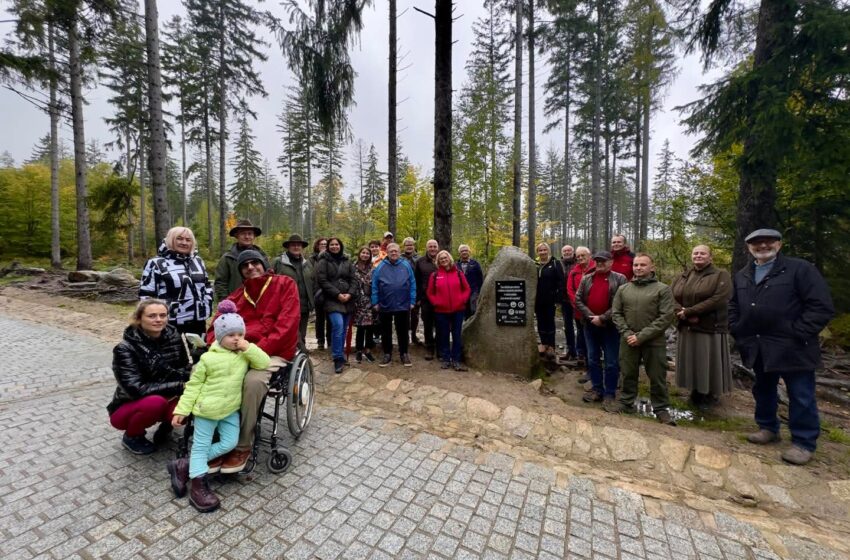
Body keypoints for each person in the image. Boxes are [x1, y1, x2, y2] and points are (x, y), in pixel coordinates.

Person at [730, 228, 834, 465]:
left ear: (778, 244)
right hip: (758, 344)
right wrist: (736, 326)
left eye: (768, 242)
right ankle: (768, 428)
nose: (762, 246)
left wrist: (799, 332)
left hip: (794, 346)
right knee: (763, 389)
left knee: (801, 394)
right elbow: (733, 305)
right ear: (749, 248)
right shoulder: (743, 274)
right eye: (756, 243)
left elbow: (821, 306)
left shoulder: (800, 269)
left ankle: (803, 442)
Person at [166, 301, 271, 512]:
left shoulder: (244, 355)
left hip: (230, 411)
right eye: (231, 335)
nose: (236, 339)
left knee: (229, 443)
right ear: (220, 336)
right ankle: (198, 486)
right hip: (207, 411)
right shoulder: (208, 358)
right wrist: (182, 410)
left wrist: (248, 347)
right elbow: (193, 387)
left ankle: (184, 465)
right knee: (201, 447)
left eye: (240, 334)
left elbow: (264, 363)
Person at [208, 249, 301, 474]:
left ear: (264, 264)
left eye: (255, 263)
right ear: (240, 271)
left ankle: (242, 445)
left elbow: (287, 325)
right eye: (245, 265)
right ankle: (219, 436)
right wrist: (223, 348)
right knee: (211, 374)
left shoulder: (285, 284)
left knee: (252, 382)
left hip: (273, 352)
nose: (250, 267)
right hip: (238, 351)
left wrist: (255, 351)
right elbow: (214, 329)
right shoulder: (236, 297)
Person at [108, 299, 191, 455]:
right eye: (152, 316)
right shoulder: (124, 349)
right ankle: (132, 436)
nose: (159, 320)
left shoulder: (174, 336)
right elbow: (135, 389)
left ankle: (167, 426)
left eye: (163, 315)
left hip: (169, 395)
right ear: (139, 319)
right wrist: (179, 386)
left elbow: (184, 367)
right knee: (155, 403)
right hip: (132, 403)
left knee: (193, 401)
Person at [612, 254, 676, 423]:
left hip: (653, 341)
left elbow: (666, 316)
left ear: (651, 267)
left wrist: (641, 336)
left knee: (657, 376)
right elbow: (616, 313)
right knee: (628, 373)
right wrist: (627, 334)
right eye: (635, 265)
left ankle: (661, 409)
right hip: (628, 340)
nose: (638, 268)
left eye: (642, 265)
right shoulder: (624, 289)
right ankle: (626, 403)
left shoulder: (662, 289)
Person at [671, 245, 733, 407]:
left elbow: (719, 299)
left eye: (703, 253)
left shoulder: (721, 275)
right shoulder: (683, 276)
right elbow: (670, 296)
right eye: (695, 253)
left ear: (710, 257)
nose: (698, 255)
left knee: (708, 361)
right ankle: (695, 391)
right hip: (686, 325)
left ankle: (710, 395)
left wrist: (690, 311)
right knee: (692, 361)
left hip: (710, 327)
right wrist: (680, 312)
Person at [139, 227, 212, 338]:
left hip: (198, 321)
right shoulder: (156, 263)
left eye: (188, 240)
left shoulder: (198, 261)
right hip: (169, 322)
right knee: (172, 353)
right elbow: (146, 295)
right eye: (179, 238)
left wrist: (207, 304)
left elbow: (206, 286)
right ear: (170, 240)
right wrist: (153, 319)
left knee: (199, 353)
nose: (184, 242)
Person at [575, 251, 627, 405]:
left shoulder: (620, 279)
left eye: (603, 261)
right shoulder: (587, 278)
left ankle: (610, 393)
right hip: (590, 326)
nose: (600, 263)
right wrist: (592, 317)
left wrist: (603, 318)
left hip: (610, 326)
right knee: (592, 359)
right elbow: (578, 299)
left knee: (611, 361)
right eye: (597, 261)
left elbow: (621, 303)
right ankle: (597, 389)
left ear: (611, 262)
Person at [315, 237, 358, 373]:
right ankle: (337, 357)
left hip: (348, 299)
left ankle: (340, 353)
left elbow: (354, 279)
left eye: (337, 244)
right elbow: (322, 280)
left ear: (341, 246)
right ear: (328, 246)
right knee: (338, 326)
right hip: (332, 299)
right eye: (332, 244)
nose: (334, 246)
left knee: (344, 328)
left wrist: (350, 294)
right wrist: (337, 294)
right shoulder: (323, 261)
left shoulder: (347, 261)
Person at [372, 242, 416, 367]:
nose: (394, 253)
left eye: (396, 250)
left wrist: (412, 300)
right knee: (386, 331)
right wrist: (375, 301)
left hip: (403, 303)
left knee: (402, 330)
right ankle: (387, 354)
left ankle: (404, 353)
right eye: (391, 251)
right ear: (387, 252)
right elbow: (374, 284)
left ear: (399, 251)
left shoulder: (406, 265)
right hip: (385, 303)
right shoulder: (380, 266)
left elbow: (412, 283)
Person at [428, 250, 471, 371]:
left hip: (458, 310)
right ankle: (446, 359)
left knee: (457, 335)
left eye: (445, 257)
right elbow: (430, 292)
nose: (443, 260)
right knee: (444, 335)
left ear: (449, 258)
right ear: (438, 261)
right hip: (441, 311)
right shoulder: (435, 275)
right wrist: (436, 302)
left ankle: (456, 360)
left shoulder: (458, 273)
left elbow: (467, 289)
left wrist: (462, 300)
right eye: (441, 258)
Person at [273, 234, 314, 352]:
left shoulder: (307, 263)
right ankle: (300, 351)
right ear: (288, 247)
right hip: (287, 304)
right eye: (293, 245)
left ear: (302, 247)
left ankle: (301, 352)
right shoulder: (279, 262)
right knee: (291, 330)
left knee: (302, 331)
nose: (296, 247)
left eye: (298, 245)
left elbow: (312, 281)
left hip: (304, 303)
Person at [214, 219, 267, 301]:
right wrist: (226, 302)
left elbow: (269, 278)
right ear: (236, 235)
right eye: (243, 234)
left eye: (250, 234)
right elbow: (221, 283)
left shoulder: (262, 256)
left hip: (261, 301)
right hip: (237, 302)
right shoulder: (228, 258)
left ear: (254, 236)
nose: (247, 237)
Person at [535, 243, 565, 360]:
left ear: (548, 251)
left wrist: (558, 299)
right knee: (540, 321)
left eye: (544, 250)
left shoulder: (555, 263)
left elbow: (561, 282)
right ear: (537, 252)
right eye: (540, 250)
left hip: (550, 299)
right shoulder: (535, 265)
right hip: (538, 299)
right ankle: (543, 344)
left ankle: (551, 346)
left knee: (550, 322)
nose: (542, 252)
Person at [567, 246, 594, 369]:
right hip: (578, 311)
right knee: (581, 334)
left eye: (583, 255)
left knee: (592, 337)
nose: (580, 258)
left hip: (594, 311)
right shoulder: (574, 271)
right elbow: (570, 289)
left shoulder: (596, 268)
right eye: (578, 256)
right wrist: (578, 305)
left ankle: (593, 363)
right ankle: (582, 358)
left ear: (589, 255)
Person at [414, 239, 440, 360]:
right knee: (427, 324)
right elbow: (416, 281)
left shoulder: (443, 259)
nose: (433, 248)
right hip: (426, 298)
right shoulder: (420, 262)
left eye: (434, 246)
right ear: (427, 248)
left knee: (441, 323)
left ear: (438, 247)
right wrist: (418, 298)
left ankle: (440, 347)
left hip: (442, 298)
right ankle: (429, 347)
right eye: (430, 246)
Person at [352, 246, 378, 363]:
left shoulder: (373, 268)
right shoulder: (353, 267)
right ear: (359, 254)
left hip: (370, 300)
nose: (365, 255)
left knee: (370, 326)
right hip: (358, 301)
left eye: (367, 253)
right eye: (363, 253)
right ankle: (358, 349)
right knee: (360, 327)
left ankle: (367, 350)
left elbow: (376, 283)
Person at [309, 237, 332, 350]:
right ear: (317, 246)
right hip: (317, 292)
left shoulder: (332, 257)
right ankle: (320, 341)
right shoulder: (312, 259)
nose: (323, 245)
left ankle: (330, 341)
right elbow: (311, 275)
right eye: (321, 244)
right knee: (319, 318)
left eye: (325, 244)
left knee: (330, 318)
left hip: (330, 292)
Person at [558, 245, 578, 360]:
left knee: (580, 327)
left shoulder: (578, 263)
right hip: (565, 300)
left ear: (573, 251)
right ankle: (571, 351)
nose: (567, 252)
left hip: (578, 300)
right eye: (564, 251)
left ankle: (581, 352)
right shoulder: (559, 264)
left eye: (569, 250)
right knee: (568, 326)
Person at [401, 237, 421, 344]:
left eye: (411, 245)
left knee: (415, 315)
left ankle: (413, 335)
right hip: (402, 291)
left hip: (416, 290)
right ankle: (405, 336)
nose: (409, 247)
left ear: (414, 246)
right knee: (403, 315)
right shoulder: (399, 258)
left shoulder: (419, 259)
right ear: (404, 247)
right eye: (407, 245)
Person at [457, 244, 484, 318]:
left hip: (473, 291)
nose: (464, 252)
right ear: (459, 253)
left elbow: (480, 278)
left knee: (473, 310)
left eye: (466, 250)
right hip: (461, 292)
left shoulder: (475, 264)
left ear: (469, 252)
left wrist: (479, 291)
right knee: (463, 311)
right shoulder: (456, 265)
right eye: (462, 251)